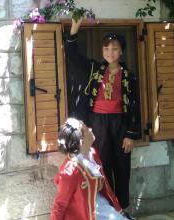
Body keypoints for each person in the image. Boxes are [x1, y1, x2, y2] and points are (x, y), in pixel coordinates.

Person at [64, 18, 140, 219]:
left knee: (122, 167)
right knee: (102, 166)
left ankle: (122, 210)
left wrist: (131, 134)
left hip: (120, 125)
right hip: (97, 123)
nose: (110, 52)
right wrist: (75, 27)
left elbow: (134, 105)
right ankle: (106, 211)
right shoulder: (94, 70)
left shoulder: (128, 76)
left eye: (114, 49)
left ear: (121, 51)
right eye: (106, 48)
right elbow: (71, 55)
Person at [50, 117, 128, 220]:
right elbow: (60, 205)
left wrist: (118, 210)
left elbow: (106, 187)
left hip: (102, 208)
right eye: (87, 129)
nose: (91, 129)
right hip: (84, 215)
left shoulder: (93, 154)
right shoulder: (69, 172)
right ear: (81, 141)